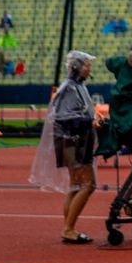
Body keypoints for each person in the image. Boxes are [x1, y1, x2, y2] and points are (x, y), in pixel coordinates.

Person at [49, 49, 98, 240]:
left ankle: (68, 228)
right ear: (76, 67)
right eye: (87, 64)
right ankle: (68, 229)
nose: (89, 68)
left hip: (73, 141)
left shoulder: (76, 87)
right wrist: (89, 122)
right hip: (73, 141)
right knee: (88, 185)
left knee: (76, 185)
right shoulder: (70, 88)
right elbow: (66, 118)